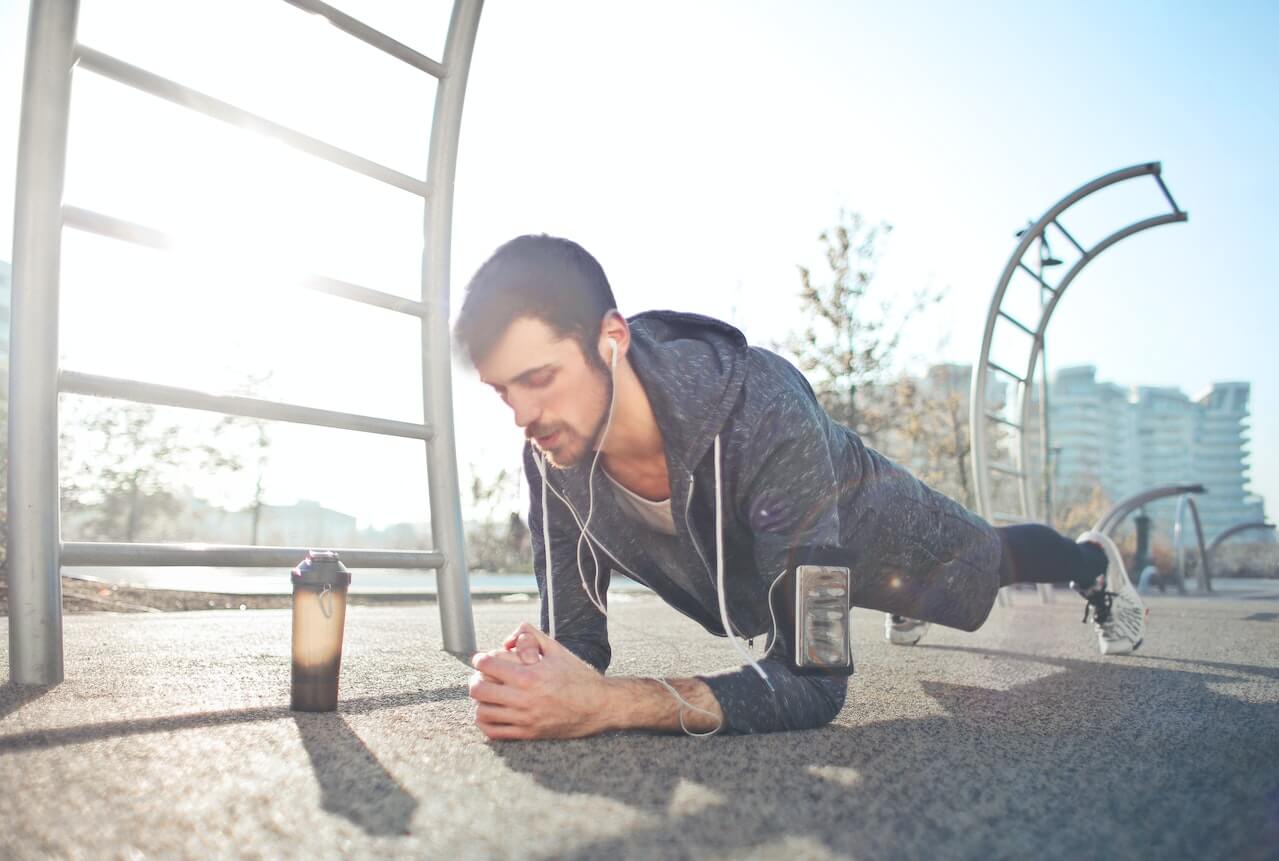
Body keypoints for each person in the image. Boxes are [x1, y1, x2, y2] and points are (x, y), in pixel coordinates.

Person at [454, 235, 1146, 740]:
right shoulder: (553, 452)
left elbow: (812, 682)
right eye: (501, 391)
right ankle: (897, 600)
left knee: (987, 566)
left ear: (611, 339)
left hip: (886, 536)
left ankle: (1092, 560)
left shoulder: (763, 408)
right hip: (787, 569)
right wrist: (533, 678)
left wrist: (609, 703)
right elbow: (578, 639)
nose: (522, 415)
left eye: (539, 378)